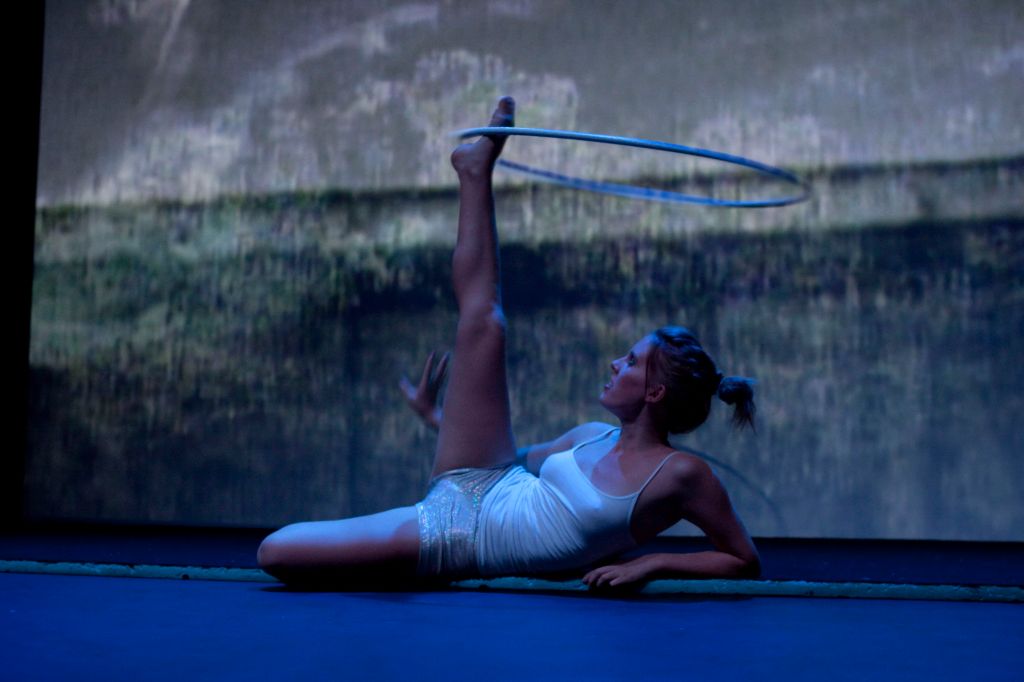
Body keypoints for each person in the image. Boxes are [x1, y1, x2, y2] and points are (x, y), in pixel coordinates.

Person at [257, 97, 760, 589]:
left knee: (276, 551)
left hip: (460, 536)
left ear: (655, 391)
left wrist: (651, 564)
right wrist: (439, 418)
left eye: (630, 361)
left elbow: (741, 559)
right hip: (486, 472)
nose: (613, 363)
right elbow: (513, 460)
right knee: (486, 321)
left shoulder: (681, 475)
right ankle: (475, 170)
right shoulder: (590, 435)